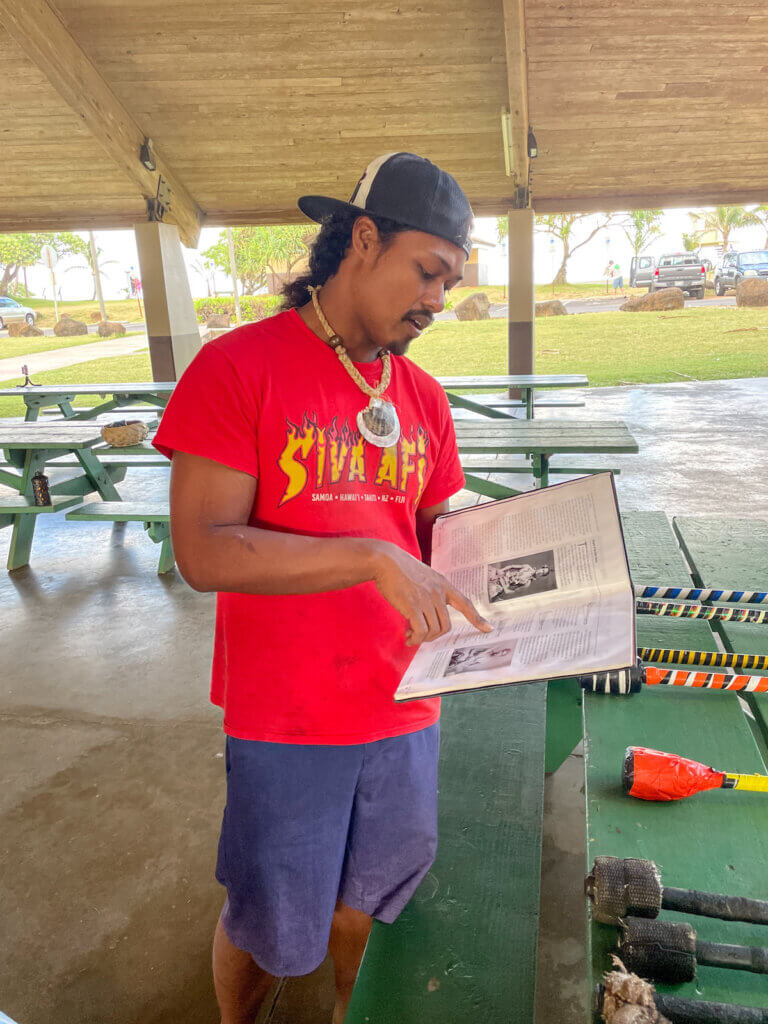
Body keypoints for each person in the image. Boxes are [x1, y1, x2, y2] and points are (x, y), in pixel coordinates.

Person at [152, 152, 493, 1024]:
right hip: (290, 716)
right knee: (270, 919)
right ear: (365, 239)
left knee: (369, 901)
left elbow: (431, 536)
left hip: (408, 704)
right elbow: (203, 550)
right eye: (428, 272)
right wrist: (366, 557)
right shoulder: (238, 369)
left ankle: (352, 1012)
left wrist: (511, 554)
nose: (437, 301)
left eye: (450, 284)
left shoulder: (422, 395)